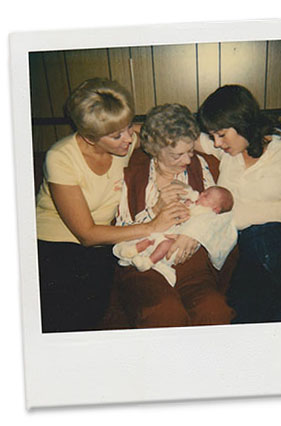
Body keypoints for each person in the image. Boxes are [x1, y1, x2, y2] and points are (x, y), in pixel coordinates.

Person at [36, 78, 189, 333]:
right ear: (90, 137)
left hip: (103, 244)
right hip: (54, 242)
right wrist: (152, 226)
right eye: (117, 135)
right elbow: (86, 234)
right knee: (60, 314)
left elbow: (173, 136)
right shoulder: (60, 157)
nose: (130, 139)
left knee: (92, 309)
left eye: (130, 127)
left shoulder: (122, 139)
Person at [196, 84, 281, 323]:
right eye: (213, 137)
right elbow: (176, 134)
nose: (217, 143)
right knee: (244, 315)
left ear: (242, 122)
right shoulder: (227, 151)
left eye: (221, 134)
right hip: (251, 247)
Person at [114, 103, 236, 328]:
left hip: (191, 265)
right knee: (164, 313)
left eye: (190, 151)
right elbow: (121, 231)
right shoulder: (133, 176)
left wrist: (195, 234)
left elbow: (222, 215)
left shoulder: (202, 166)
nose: (188, 160)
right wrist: (155, 211)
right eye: (177, 155)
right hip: (146, 266)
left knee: (214, 310)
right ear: (154, 150)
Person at [113, 185, 237, 285]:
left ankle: (149, 261)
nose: (201, 194)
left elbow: (201, 227)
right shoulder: (195, 205)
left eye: (206, 196)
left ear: (216, 209)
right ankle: (134, 250)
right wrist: (187, 204)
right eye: (203, 192)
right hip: (168, 232)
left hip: (176, 246)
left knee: (164, 244)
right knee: (151, 238)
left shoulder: (209, 216)